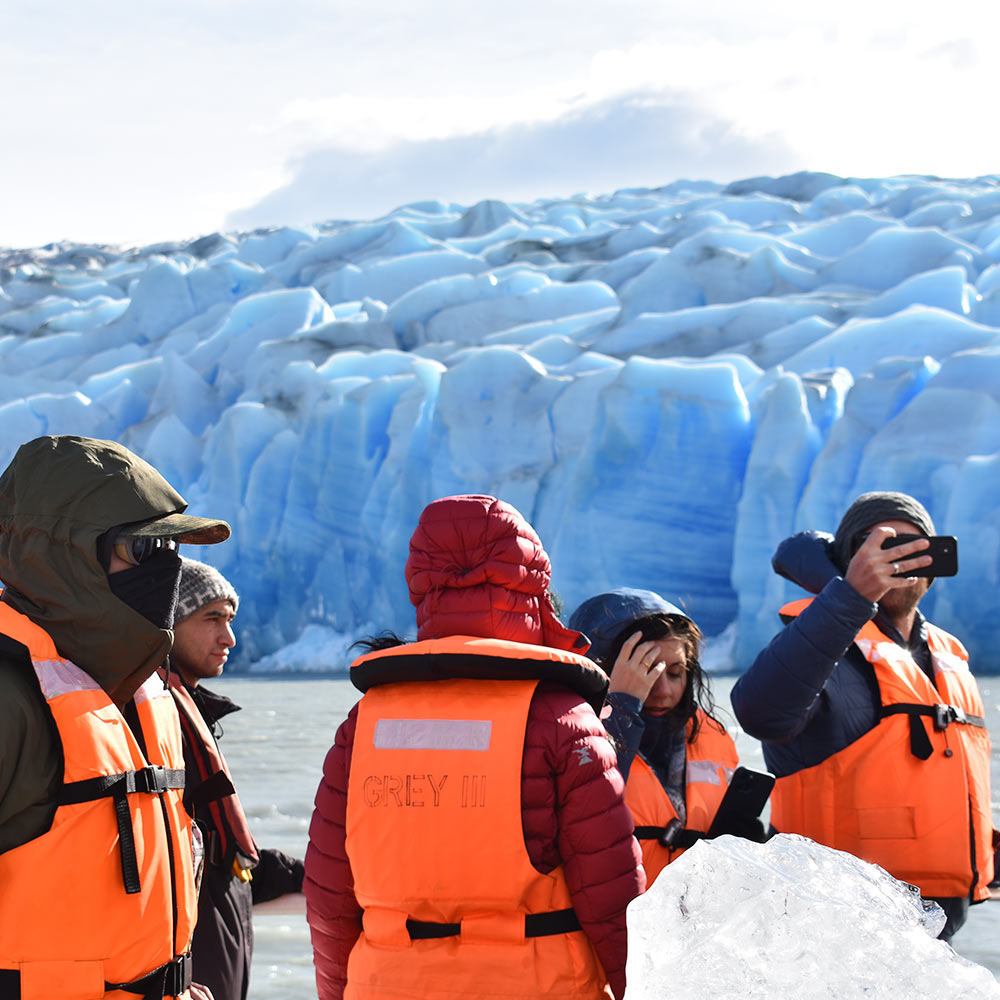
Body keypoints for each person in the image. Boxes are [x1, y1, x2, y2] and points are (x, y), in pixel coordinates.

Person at [304, 494, 645, 1000]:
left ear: (423, 584)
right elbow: (611, 897)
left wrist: (339, 992)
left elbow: (329, 897)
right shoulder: (563, 720)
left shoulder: (364, 724)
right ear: (531, 587)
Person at [0, 435, 230, 1000]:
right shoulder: (10, 699)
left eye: (173, 549)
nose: (168, 569)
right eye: (146, 550)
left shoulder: (147, 694)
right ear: (61, 554)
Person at [731, 491, 994, 941]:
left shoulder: (949, 656)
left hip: (939, 924)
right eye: (884, 546)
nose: (902, 559)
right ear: (852, 560)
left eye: (917, 547)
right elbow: (761, 713)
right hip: (836, 923)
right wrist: (852, 596)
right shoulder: (818, 641)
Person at [163, 558, 305, 1000]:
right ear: (168, 622)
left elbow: (219, 858)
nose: (230, 638)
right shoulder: (155, 727)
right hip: (188, 979)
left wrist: (310, 873)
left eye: (230, 619)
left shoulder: (190, 717)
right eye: (212, 619)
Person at [569, 588, 766, 887]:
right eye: (646, 671)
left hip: (695, 923)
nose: (663, 691)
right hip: (615, 922)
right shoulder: (565, 735)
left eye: (675, 673)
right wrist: (622, 708)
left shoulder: (712, 737)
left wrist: (741, 847)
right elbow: (579, 819)